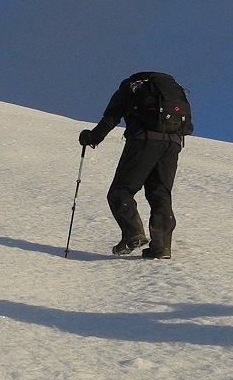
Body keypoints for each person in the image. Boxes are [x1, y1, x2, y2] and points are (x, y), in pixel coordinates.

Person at [79, 72, 192, 259]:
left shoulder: (130, 86)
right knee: (160, 193)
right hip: (173, 142)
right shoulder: (173, 90)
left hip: (144, 140)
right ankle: (161, 247)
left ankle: (133, 234)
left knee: (120, 190)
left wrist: (92, 137)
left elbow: (111, 117)